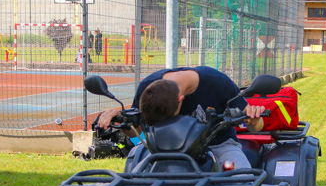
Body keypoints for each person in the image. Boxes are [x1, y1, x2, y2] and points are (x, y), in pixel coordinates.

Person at [96, 66, 264, 169]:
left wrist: (254, 118)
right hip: (163, 147)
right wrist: (121, 118)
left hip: (218, 144)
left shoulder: (219, 83)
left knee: (241, 181)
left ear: (180, 100)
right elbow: (136, 131)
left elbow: (256, 126)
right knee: (135, 176)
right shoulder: (148, 88)